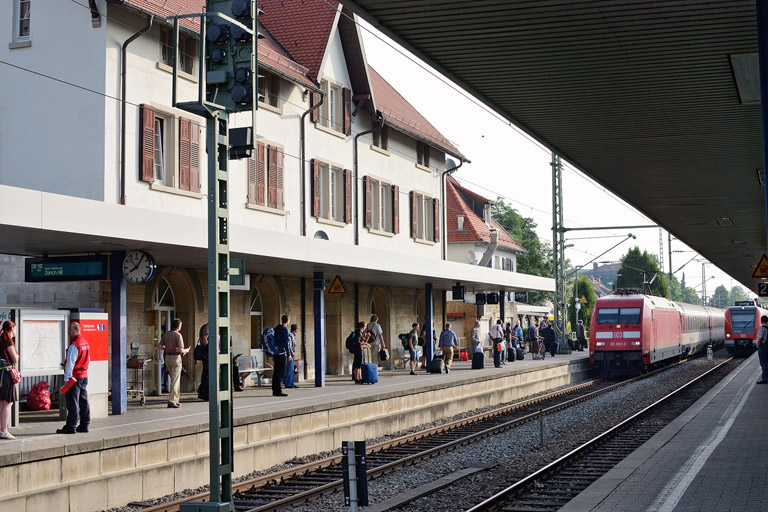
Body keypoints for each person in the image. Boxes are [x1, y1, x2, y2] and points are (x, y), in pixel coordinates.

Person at [57, 321, 91, 434]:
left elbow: (70, 363)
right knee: (83, 401)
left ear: (76, 330)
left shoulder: (74, 345)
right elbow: (88, 359)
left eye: (70, 329)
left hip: (74, 377)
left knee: (73, 402)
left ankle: (71, 426)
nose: (68, 331)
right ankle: (85, 424)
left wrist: (67, 379)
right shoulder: (85, 342)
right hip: (84, 376)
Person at [158, 318, 189, 408]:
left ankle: (176, 400)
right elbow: (180, 349)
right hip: (176, 358)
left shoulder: (166, 334)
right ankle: (171, 401)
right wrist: (187, 350)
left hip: (167, 357)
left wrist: (167, 348)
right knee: (175, 380)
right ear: (178, 326)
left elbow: (160, 346)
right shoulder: (178, 335)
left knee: (175, 379)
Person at [0, 321, 19, 440]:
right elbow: (15, 359)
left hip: (0, 373)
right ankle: (4, 430)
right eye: (15, 328)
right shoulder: (8, 341)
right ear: (11, 328)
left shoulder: (1, 339)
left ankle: (1, 430)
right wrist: (17, 355)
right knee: (8, 403)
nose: (15, 331)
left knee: (1, 403)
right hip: (6, 374)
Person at [272, 315, 290, 396]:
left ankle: (274, 390)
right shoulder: (285, 329)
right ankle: (278, 390)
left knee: (276, 372)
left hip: (276, 353)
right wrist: (289, 354)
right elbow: (286, 343)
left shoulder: (276, 328)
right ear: (288, 321)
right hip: (282, 353)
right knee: (281, 372)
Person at [197, 324, 209, 401]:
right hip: (207, 354)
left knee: (206, 372)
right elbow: (204, 338)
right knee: (206, 373)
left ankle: (204, 390)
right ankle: (204, 391)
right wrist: (208, 346)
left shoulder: (204, 327)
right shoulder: (207, 327)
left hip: (206, 354)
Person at [284, 324, 299, 388]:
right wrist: (291, 352)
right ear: (295, 329)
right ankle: (288, 384)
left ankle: (292, 383)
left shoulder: (293, 335)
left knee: (292, 369)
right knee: (289, 369)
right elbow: (289, 344)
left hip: (292, 354)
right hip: (290, 354)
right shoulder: (290, 335)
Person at [756, 315, 768, 384]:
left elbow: (759, 339)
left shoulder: (762, 328)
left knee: (763, 363)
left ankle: (764, 379)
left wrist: (758, 346)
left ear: (761, 321)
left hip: (763, 347)